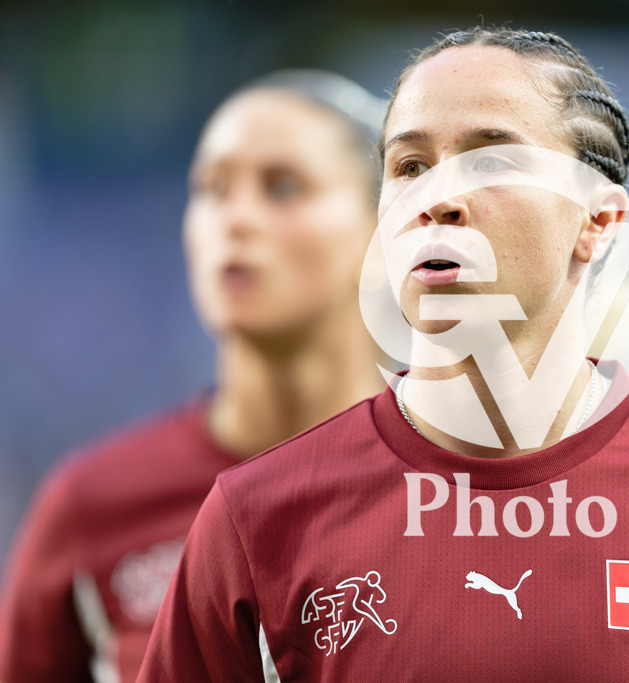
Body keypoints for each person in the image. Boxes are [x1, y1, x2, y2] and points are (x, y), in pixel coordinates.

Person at [140, 28, 629, 681]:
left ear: (598, 221)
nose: (438, 197)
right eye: (409, 166)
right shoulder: (256, 517)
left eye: (490, 161)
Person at [0, 70, 384, 682]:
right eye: (211, 188)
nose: (235, 219)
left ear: (383, 228)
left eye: (283, 187)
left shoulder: (456, 487)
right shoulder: (91, 505)